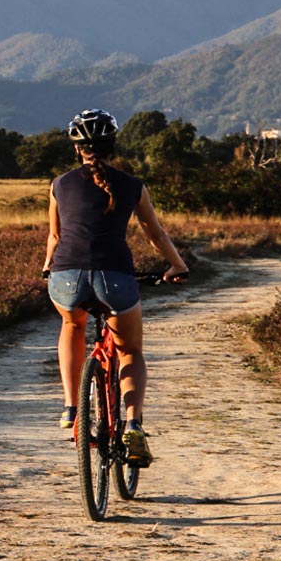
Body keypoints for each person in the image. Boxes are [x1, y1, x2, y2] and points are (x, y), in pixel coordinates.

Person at [40, 109, 189, 467]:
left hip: (66, 277)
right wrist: (177, 265)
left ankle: (71, 407)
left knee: (72, 325)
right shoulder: (133, 185)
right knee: (131, 351)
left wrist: (48, 266)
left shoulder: (59, 184)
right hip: (116, 278)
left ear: (77, 150)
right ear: (112, 147)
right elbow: (155, 233)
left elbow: (56, 236)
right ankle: (133, 424)